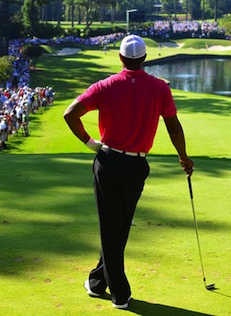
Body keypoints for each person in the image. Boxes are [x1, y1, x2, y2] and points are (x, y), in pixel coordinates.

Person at [63, 34, 194, 310]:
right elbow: (173, 126)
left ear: (121, 58)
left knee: (116, 226)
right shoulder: (160, 88)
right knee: (117, 226)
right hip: (137, 166)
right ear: (144, 59)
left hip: (108, 162)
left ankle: (106, 286)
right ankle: (112, 289)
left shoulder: (105, 86)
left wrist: (90, 143)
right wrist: (183, 157)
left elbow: (70, 114)